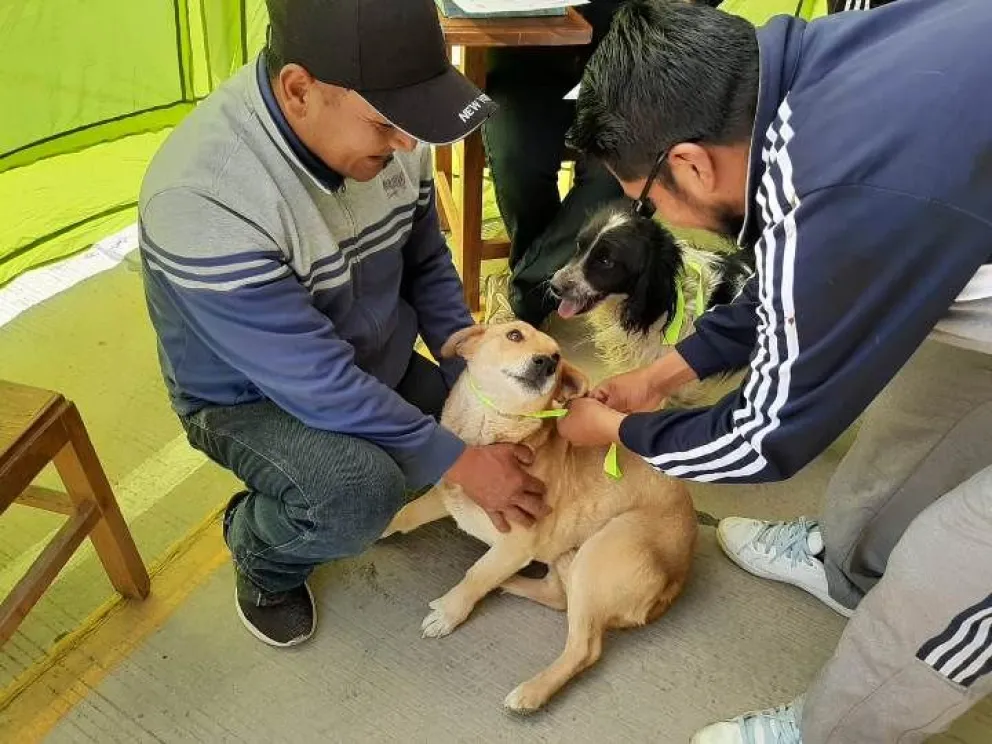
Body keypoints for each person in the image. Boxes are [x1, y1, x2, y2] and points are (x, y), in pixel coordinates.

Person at [557, 1, 992, 741]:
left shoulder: (841, 184)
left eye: (649, 203)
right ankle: (845, 563)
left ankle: (838, 728)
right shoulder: (815, 69)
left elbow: (768, 437)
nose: (665, 221)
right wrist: (664, 372)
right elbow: (802, 277)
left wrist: (623, 428)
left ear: (689, 162)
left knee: (953, 572)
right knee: (921, 415)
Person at [138, 0, 550, 649]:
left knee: (490, 424)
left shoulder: (389, 139)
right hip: (251, 399)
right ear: (299, 89)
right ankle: (260, 550)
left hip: (363, 359)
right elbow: (318, 384)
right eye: (388, 125)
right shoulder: (203, 197)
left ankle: (362, 478)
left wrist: (471, 383)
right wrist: (462, 458)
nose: (409, 145)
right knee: (360, 494)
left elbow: (428, 266)